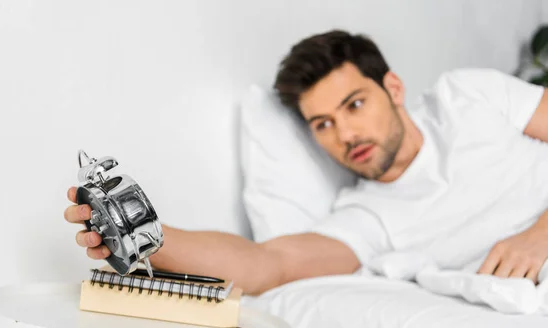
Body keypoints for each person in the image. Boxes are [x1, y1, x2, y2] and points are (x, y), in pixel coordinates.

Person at [64, 30, 548, 295]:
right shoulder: (368, 219)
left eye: (354, 105)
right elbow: (266, 264)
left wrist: (537, 236)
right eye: (322, 124)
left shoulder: (468, 97)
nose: (345, 134)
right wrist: (143, 236)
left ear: (394, 89)